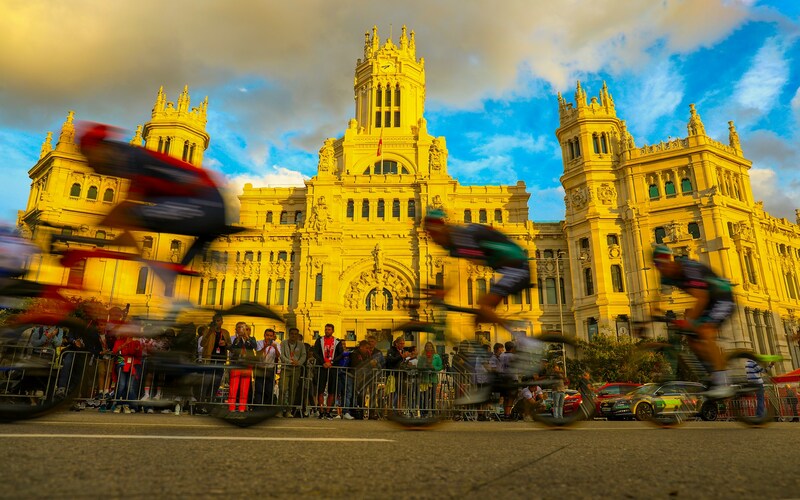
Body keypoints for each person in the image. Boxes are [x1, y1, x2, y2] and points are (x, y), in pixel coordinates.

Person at [77, 123, 229, 266]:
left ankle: (159, 269)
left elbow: (129, 206)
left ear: (100, 149)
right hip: (205, 206)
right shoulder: (130, 161)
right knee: (126, 217)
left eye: (88, 155)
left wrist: (110, 227)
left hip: (205, 205)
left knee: (129, 215)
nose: (88, 164)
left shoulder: (131, 158)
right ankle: (169, 274)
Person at [422, 208, 530, 329]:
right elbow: (456, 268)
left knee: (484, 306)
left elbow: (463, 269)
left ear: (440, 230)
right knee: (479, 318)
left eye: (432, 235)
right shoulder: (457, 240)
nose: (433, 241)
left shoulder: (461, 237)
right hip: (510, 268)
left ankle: (524, 340)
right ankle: (512, 327)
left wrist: (445, 290)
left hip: (516, 268)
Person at [652, 244, 736, 398]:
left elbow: (702, 297)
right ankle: (713, 373)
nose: (662, 269)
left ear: (670, 260)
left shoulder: (689, 268)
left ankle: (724, 381)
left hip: (722, 297)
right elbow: (657, 300)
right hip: (708, 301)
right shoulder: (665, 276)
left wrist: (689, 321)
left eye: (663, 264)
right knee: (691, 339)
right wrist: (647, 320)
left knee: (705, 331)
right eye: (657, 265)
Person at [311, 324, 344, 420]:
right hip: (322, 367)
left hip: (332, 367)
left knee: (331, 390)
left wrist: (332, 362)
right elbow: (315, 352)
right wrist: (323, 362)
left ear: (333, 331)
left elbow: (341, 354)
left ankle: (328, 411)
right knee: (320, 389)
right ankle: (321, 411)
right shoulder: (319, 340)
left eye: (329, 329)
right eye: (326, 329)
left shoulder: (337, 342)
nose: (327, 331)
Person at [228, 321, 257, 412]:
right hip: (236, 365)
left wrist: (246, 337)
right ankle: (231, 407)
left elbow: (254, 346)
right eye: (239, 328)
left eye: (243, 327)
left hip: (247, 366)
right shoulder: (236, 340)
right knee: (233, 387)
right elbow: (233, 349)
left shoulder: (251, 339)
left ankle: (242, 408)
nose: (241, 329)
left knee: (244, 388)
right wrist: (239, 339)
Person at [279, 327, 306, 417]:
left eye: (295, 334)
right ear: (289, 334)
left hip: (296, 369)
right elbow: (281, 355)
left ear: (297, 335)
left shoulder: (301, 345)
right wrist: (290, 362)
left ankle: (288, 411)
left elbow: (303, 355)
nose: (293, 335)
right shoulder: (283, 343)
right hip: (286, 368)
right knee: (282, 389)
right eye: (292, 334)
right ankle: (279, 410)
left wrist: (298, 363)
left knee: (292, 390)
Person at [254, 328, 280, 407]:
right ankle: (258, 407)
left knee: (269, 390)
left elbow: (278, 356)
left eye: (271, 336)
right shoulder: (259, 342)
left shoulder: (276, 344)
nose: (269, 337)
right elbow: (258, 354)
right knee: (259, 389)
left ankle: (266, 407)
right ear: (264, 335)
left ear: (273, 336)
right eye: (267, 335)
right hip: (260, 368)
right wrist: (264, 347)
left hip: (270, 368)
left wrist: (275, 348)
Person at [416, 341, 443, 417]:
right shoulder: (422, 357)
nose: (429, 347)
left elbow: (440, 366)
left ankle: (433, 411)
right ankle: (424, 411)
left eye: (430, 346)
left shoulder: (437, 356)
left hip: (433, 378)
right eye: (427, 346)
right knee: (425, 396)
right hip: (425, 379)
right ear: (425, 348)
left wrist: (434, 368)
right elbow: (419, 366)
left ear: (432, 347)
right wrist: (424, 366)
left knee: (433, 396)